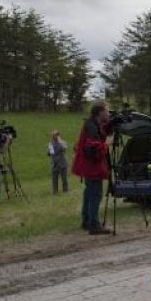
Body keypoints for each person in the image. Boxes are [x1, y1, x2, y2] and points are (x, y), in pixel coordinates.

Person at [72, 101, 112, 235]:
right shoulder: (92, 127)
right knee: (95, 194)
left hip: (87, 166)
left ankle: (87, 221)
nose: (108, 113)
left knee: (89, 193)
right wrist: (107, 144)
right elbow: (93, 149)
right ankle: (94, 224)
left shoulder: (91, 124)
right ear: (100, 112)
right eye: (107, 111)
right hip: (92, 166)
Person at [48, 129, 69, 193]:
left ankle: (65, 190)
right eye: (53, 135)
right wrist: (50, 150)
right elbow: (50, 153)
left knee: (64, 179)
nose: (55, 136)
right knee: (54, 179)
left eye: (56, 135)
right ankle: (55, 191)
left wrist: (60, 142)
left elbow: (65, 149)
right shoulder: (51, 144)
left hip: (62, 163)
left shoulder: (62, 142)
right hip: (55, 164)